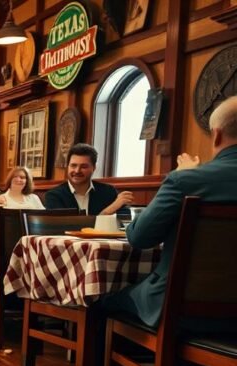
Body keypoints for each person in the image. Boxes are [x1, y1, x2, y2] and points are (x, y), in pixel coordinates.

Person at [100, 96, 237, 329]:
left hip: (180, 308)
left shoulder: (187, 180)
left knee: (101, 303)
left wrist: (183, 175)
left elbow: (139, 237)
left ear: (217, 135)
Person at [44, 143, 133, 216]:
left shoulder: (108, 191)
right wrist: (109, 211)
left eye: (84, 166)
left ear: (93, 168)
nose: (77, 171)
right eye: (73, 165)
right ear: (68, 167)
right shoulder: (53, 196)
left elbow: (124, 219)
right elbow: (69, 226)